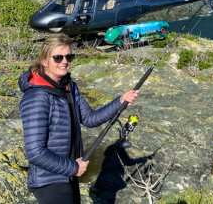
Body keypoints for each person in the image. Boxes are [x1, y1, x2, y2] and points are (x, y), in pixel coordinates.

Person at [18, 34, 139, 204]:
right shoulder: (36, 96)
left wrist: (120, 101)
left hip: (68, 175)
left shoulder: (69, 86)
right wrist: (73, 167)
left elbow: (89, 119)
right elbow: (35, 152)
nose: (64, 61)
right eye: (58, 57)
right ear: (44, 61)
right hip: (49, 181)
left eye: (69, 56)